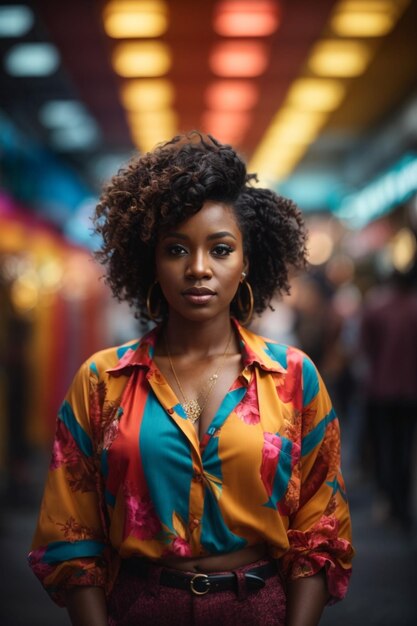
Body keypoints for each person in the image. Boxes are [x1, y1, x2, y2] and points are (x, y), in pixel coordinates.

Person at [28, 132, 353, 626]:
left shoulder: (293, 377)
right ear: (151, 263)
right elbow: (72, 531)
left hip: (257, 608)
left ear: (246, 262)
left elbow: (320, 528)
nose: (198, 269)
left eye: (220, 250)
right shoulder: (100, 381)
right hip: (138, 608)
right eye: (176, 249)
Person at [360, 267, 417, 529]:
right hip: (409, 390)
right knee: (405, 447)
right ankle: (402, 502)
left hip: (381, 388)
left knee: (385, 445)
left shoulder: (377, 309)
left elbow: (365, 347)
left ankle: (388, 497)